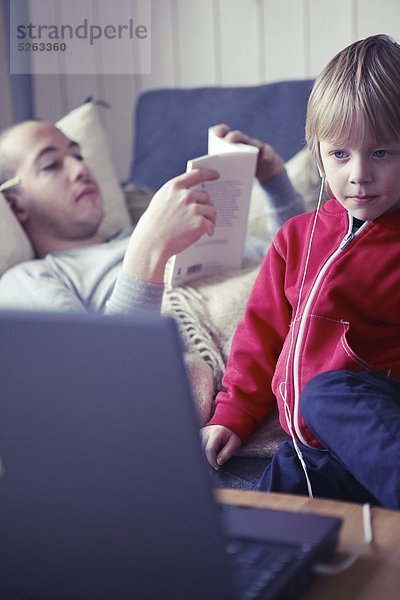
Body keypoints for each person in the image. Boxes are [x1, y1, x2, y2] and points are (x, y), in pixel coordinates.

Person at [201, 34, 400, 510]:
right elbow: (261, 334)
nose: (358, 174)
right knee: (281, 484)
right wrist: (234, 413)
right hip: (317, 451)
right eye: (340, 154)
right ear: (317, 154)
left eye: (381, 153)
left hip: (376, 419)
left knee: (325, 392)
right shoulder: (296, 237)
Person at [0, 120, 304, 313]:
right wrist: (149, 249)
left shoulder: (145, 228)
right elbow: (92, 372)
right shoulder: (30, 280)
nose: (80, 169)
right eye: (52, 165)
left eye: (78, 155)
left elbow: (299, 267)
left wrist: (274, 180)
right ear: (15, 206)